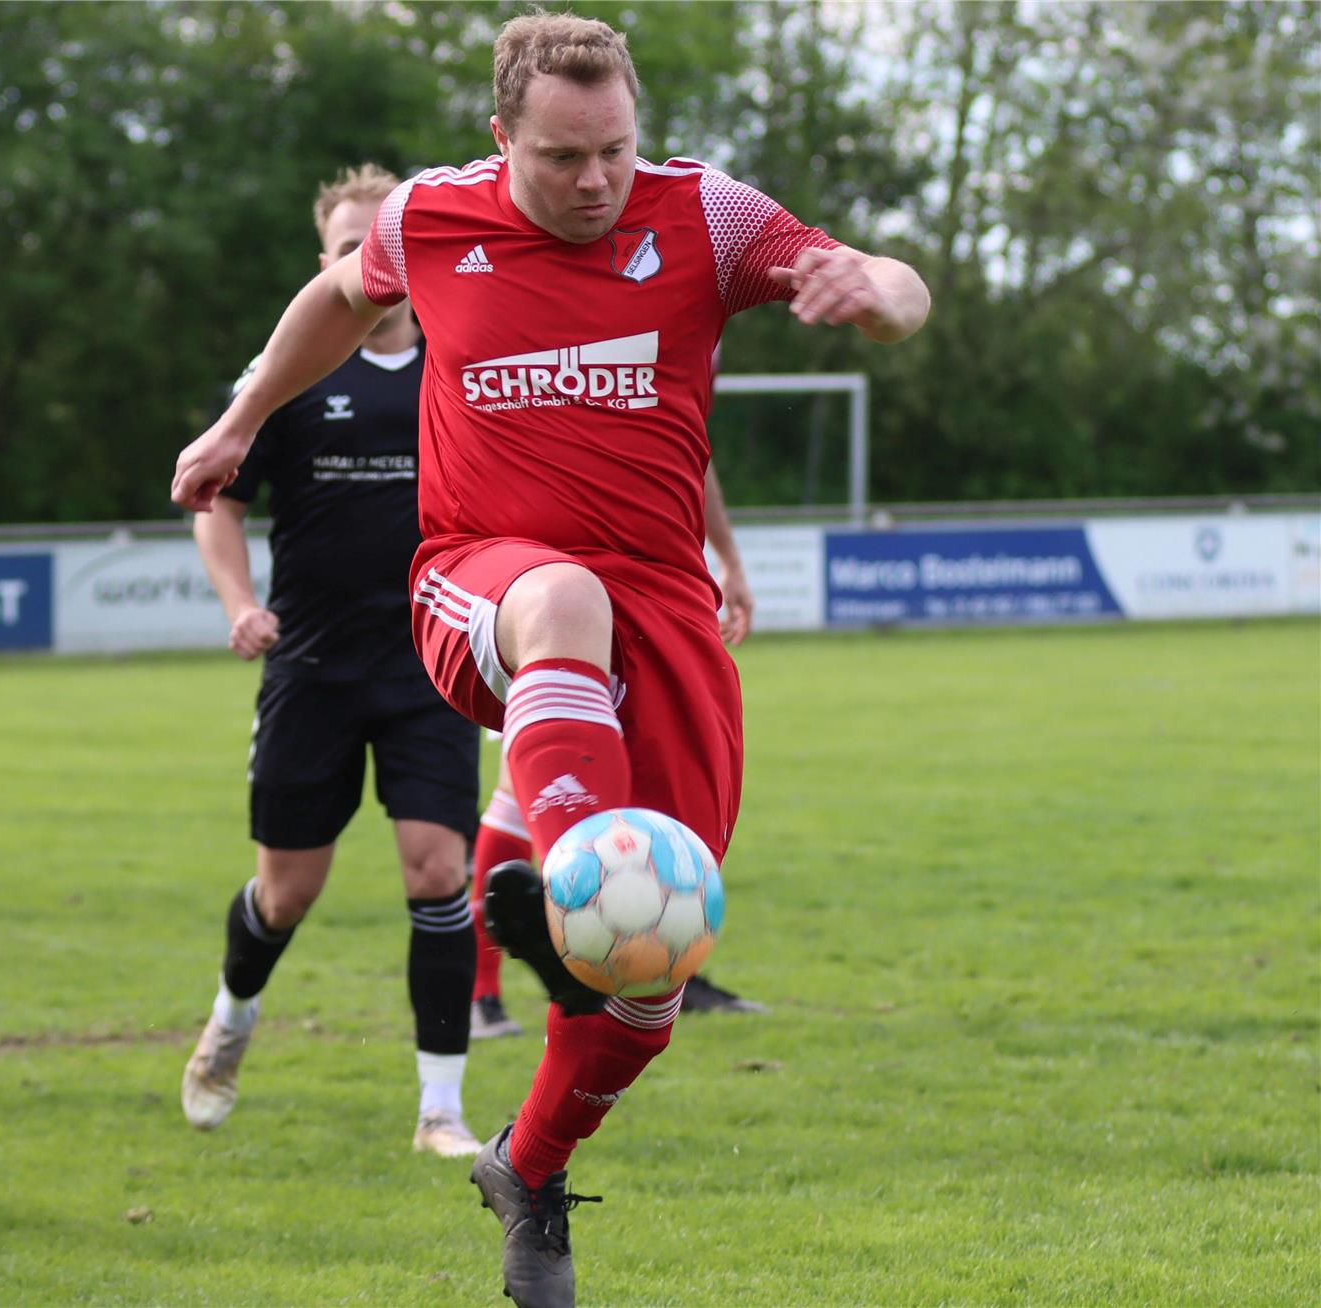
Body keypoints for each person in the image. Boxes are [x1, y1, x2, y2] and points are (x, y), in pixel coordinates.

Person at [171, 14, 928, 1306]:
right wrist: (242, 419)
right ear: (500, 136)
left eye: (617, 152)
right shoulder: (431, 217)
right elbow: (339, 299)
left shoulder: (708, 216)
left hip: (667, 613)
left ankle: (530, 1167)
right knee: (563, 600)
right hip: (482, 578)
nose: (596, 182)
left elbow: (888, 275)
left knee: (652, 972)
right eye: (565, 156)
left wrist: (877, 292)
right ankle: (533, 868)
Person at [179, 165, 485, 1158]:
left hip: (431, 660)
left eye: (384, 239)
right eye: (351, 244)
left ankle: (441, 1109)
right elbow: (217, 500)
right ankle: (231, 1018)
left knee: (439, 872)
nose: (372, 259)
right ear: (329, 263)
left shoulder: (460, 364)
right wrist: (239, 604)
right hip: (312, 664)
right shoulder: (284, 378)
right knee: (287, 893)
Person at [467, 461, 763, 1040]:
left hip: (644, 590)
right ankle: (487, 989)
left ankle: (658, 955)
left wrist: (726, 558)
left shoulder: (679, 370)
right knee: (530, 784)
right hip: (544, 592)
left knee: (650, 783)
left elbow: (694, 456)